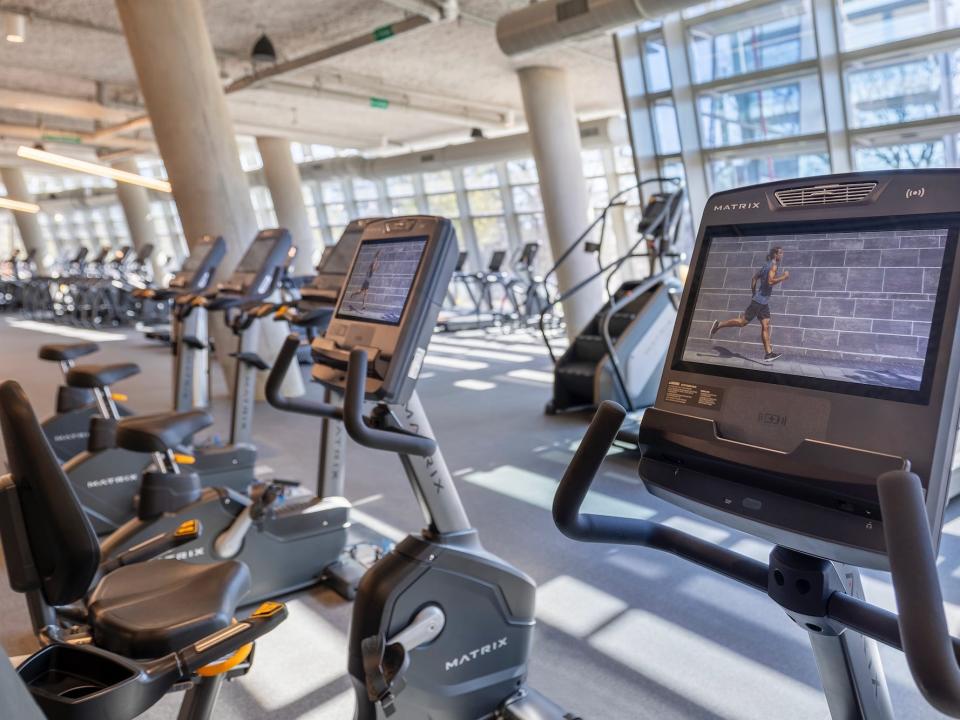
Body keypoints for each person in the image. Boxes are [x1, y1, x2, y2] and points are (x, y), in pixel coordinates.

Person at [710, 246, 789, 363]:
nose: (782, 255)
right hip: (759, 302)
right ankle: (719, 324)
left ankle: (768, 354)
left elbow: (754, 278)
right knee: (742, 322)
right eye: (780, 253)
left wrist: (754, 293)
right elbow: (770, 281)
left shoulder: (765, 265)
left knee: (766, 326)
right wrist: (784, 277)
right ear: (775, 255)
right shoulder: (772, 266)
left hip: (763, 302)